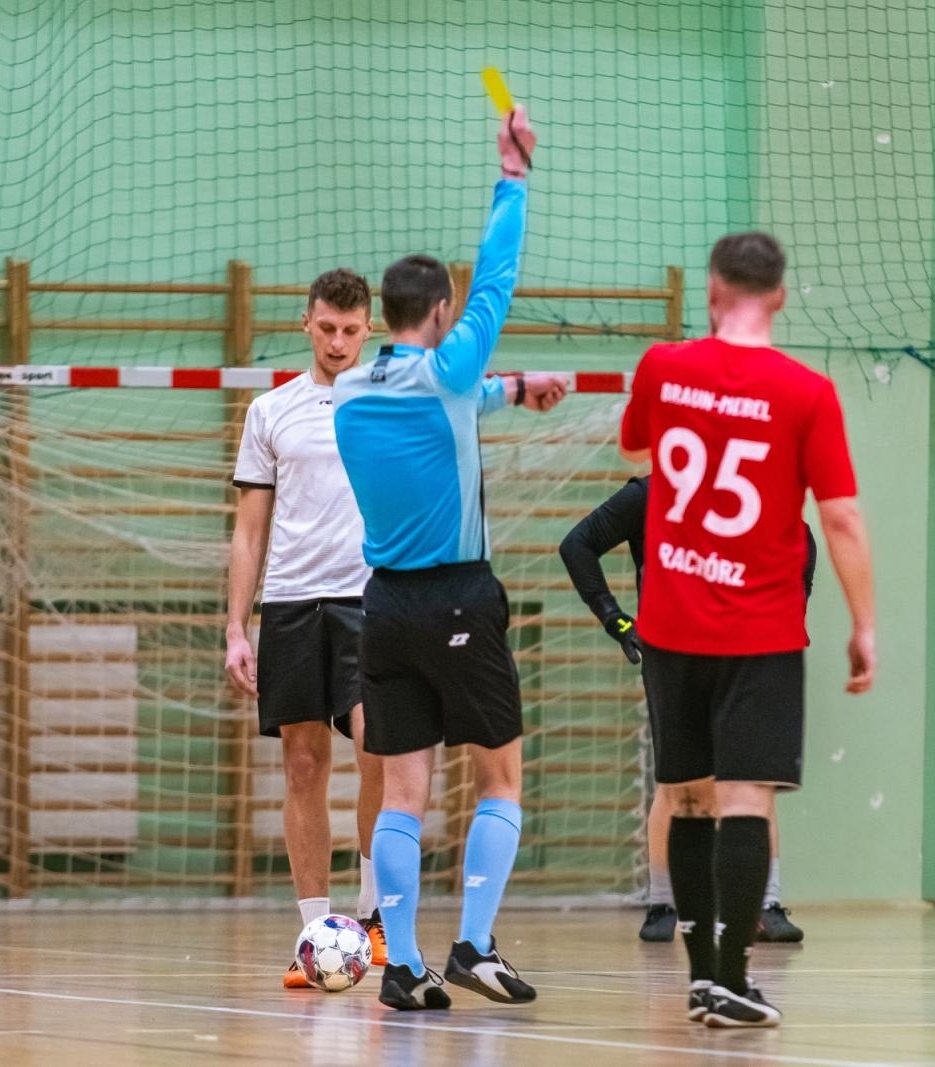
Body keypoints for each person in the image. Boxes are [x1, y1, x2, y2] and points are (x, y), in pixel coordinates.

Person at [332, 106, 570, 1013]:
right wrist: (512, 175)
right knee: (500, 776)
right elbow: (496, 280)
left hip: (384, 606)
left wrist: (509, 390)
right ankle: (473, 945)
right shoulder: (449, 367)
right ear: (440, 312)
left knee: (403, 791)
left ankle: (402, 964)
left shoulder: (348, 390)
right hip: (460, 600)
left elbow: (442, 404)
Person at [617, 232, 876, 1028]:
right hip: (760, 629)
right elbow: (840, 518)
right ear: (781, 297)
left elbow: (635, 445)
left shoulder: (663, 366)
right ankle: (732, 977)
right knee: (745, 799)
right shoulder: (808, 392)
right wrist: (864, 623)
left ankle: (703, 976)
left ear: (712, 291)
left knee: (688, 799)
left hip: (670, 624)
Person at [558, 475, 815, 944]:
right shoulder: (649, 494)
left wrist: (791, 614)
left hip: (744, 652)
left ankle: (766, 903)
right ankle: (663, 902)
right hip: (674, 654)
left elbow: (801, 537)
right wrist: (615, 619)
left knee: (753, 779)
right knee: (680, 782)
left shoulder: (749, 487)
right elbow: (577, 544)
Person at [225, 267, 387, 988]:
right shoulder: (271, 411)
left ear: (370, 329)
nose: (338, 341)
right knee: (302, 763)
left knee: (377, 743)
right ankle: (316, 934)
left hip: (370, 599)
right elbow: (249, 530)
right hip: (292, 603)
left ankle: (375, 915)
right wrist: (236, 626)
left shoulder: (390, 401)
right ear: (306, 323)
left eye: (351, 330)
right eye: (327, 328)